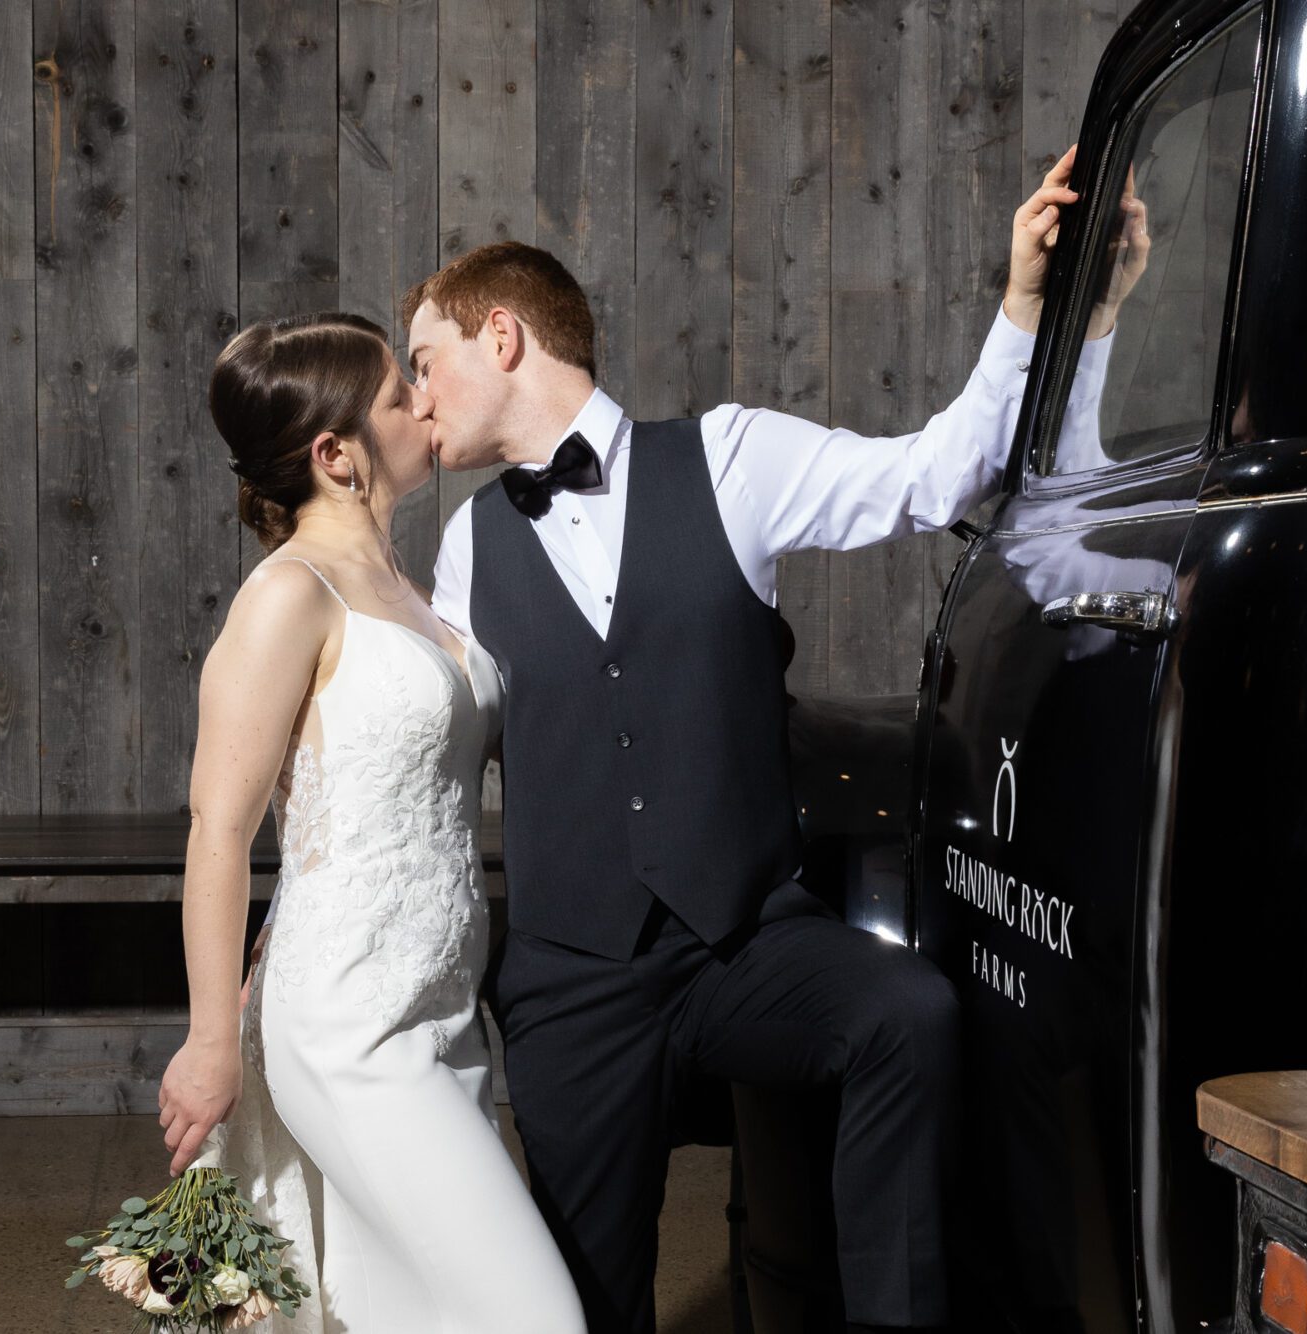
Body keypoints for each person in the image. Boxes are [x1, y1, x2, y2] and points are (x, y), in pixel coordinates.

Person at [403, 150, 1117, 1334]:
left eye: (424, 364)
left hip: (740, 938)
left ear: (501, 336)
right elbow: (431, 757)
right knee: (578, 1298)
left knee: (909, 1014)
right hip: (573, 974)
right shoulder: (472, 547)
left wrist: (1027, 306)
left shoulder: (731, 457)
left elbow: (936, 476)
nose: (416, 398)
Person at [155, 311, 587, 1334]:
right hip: (347, 1017)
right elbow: (218, 829)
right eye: (401, 393)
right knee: (534, 1317)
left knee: (402, 1310)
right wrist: (213, 1040)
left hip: (440, 1004)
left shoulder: (411, 589)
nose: (424, 400)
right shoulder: (288, 596)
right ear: (334, 453)